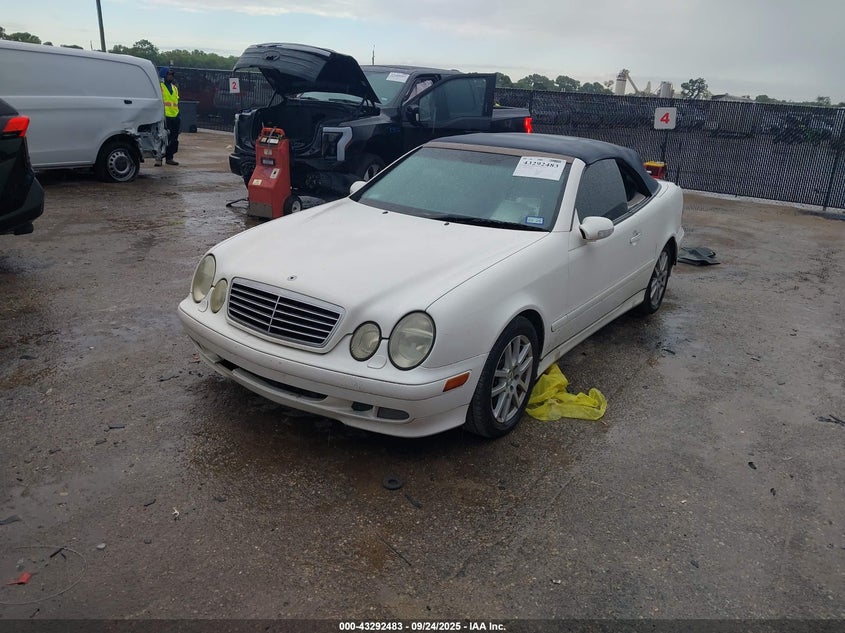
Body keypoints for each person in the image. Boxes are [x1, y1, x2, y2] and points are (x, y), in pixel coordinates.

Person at [157, 67, 180, 166]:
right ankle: (159, 159)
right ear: (164, 75)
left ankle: (169, 158)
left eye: (172, 75)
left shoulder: (174, 88)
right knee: (161, 138)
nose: (170, 76)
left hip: (175, 116)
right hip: (164, 117)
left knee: (173, 139)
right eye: (168, 74)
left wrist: (178, 116)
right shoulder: (160, 87)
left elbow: (176, 102)